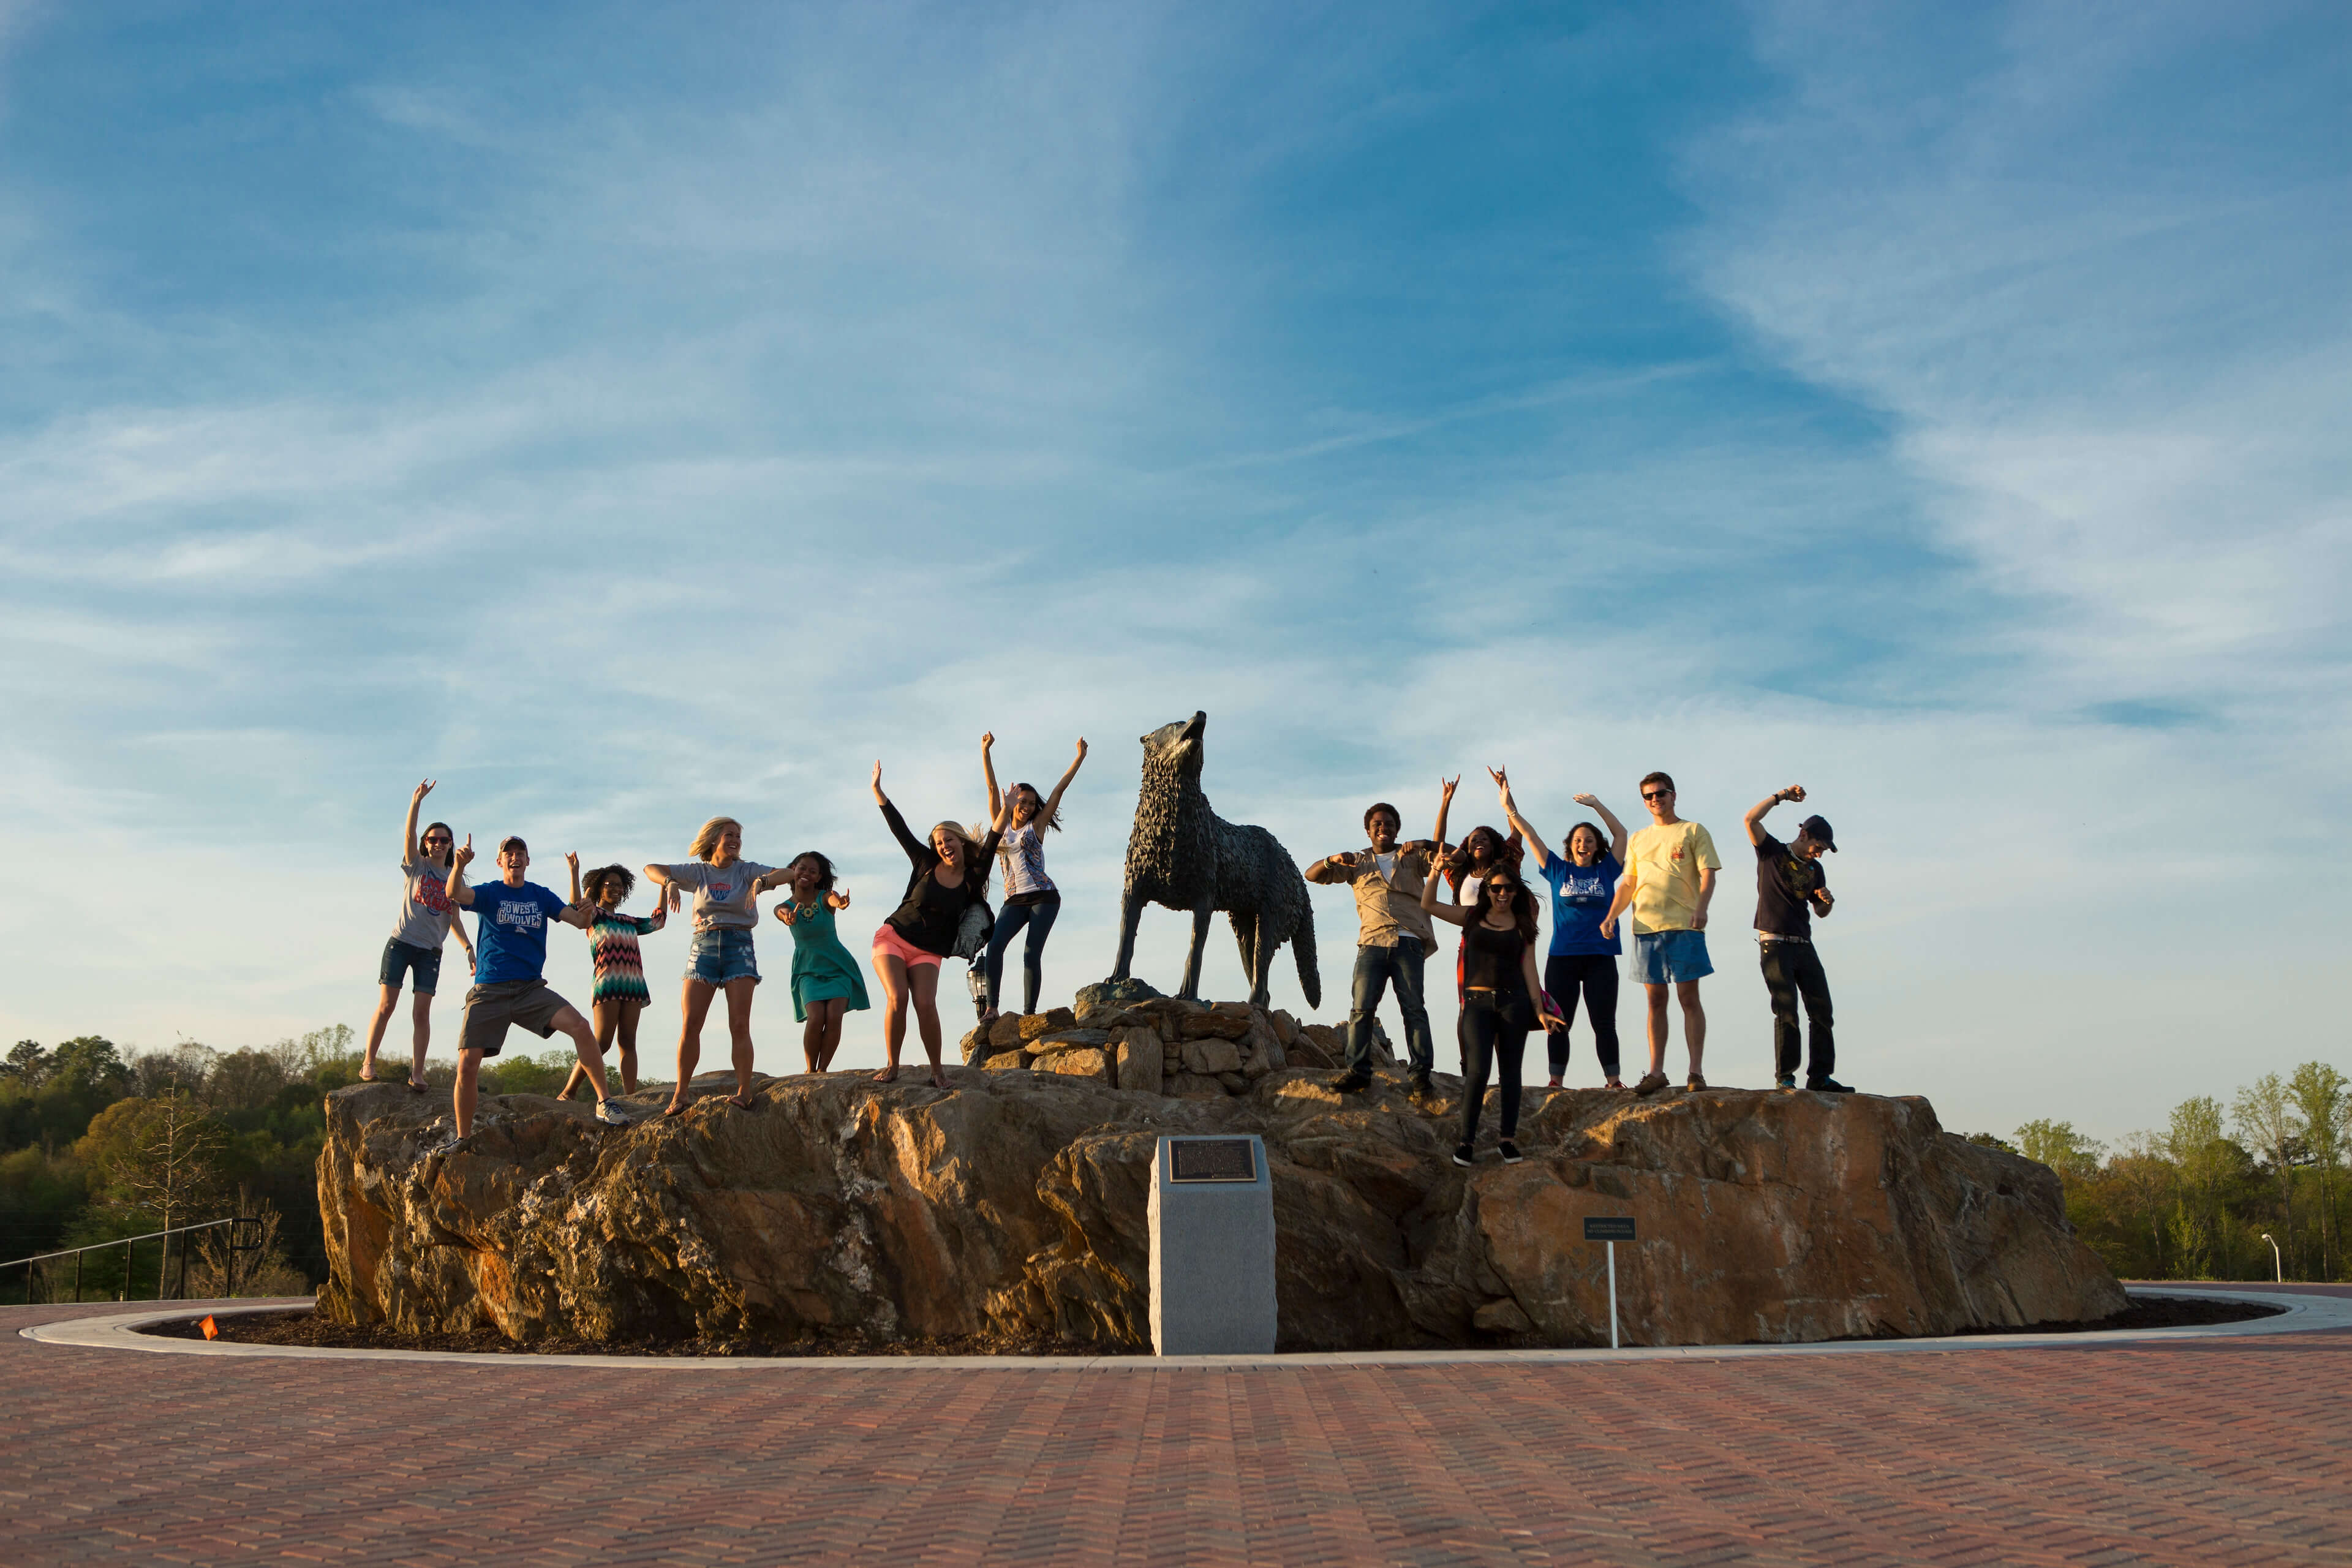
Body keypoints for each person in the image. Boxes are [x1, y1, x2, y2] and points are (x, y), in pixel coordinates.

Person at [441, 836, 626, 1142]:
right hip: (490, 989)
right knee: (467, 1063)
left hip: (531, 990)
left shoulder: (540, 896)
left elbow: (580, 921)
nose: (514, 857)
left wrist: (581, 891)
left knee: (581, 1027)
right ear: (500, 862)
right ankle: (463, 1139)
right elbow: (454, 892)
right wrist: (459, 865)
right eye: (508, 853)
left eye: (520, 853)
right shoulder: (490, 892)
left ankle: (605, 1101)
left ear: (528, 862)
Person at [1419, 832, 1563, 1166]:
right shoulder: (1471, 917)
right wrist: (1435, 871)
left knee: (1511, 1072)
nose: (1502, 894)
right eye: (1495, 888)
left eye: (1508, 889)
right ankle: (1466, 1142)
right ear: (1486, 891)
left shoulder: (1523, 924)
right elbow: (1428, 904)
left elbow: (1529, 967)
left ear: (1517, 892)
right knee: (1478, 1071)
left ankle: (1507, 1140)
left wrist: (1539, 1011)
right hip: (1477, 1004)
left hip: (1514, 1003)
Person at [1303, 783, 1455, 1096]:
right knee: (1361, 1010)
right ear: (1368, 831)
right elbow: (1311, 875)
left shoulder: (1412, 856)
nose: (1383, 827)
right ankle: (1358, 1072)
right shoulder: (1356, 862)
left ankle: (1421, 1075)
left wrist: (1426, 842)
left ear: (1397, 829)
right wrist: (1332, 859)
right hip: (1372, 943)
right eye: (1377, 824)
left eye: (1388, 823)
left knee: (1414, 1009)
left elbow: (1453, 855)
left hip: (1408, 941)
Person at [644, 818, 799, 1116]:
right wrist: (670, 882)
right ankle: (681, 1092)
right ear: (714, 838)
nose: (736, 840)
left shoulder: (745, 870)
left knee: (739, 1024)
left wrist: (763, 881)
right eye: (730, 834)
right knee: (691, 1023)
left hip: (739, 945)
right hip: (703, 945)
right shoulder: (699, 872)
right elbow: (651, 868)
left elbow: (789, 872)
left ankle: (744, 1090)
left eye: (739, 836)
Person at [872, 760, 1005, 1088]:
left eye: (949, 840)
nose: (944, 846)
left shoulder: (973, 878)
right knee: (898, 998)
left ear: (960, 841)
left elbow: (992, 840)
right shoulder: (925, 862)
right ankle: (892, 1066)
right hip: (893, 937)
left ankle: (937, 1071)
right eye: (939, 843)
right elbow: (899, 829)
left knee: (926, 1003)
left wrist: (1010, 806)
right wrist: (878, 791)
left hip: (928, 949)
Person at [1493, 769, 1629, 1088]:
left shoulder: (1608, 870)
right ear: (1571, 845)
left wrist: (1596, 805)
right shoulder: (1557, 869)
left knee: (1604, 1023)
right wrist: (1510, 808)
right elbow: (1531, 836)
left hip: (1600, 957)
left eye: (1590, 840)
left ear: (1597, 847)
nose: (1584, 844)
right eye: (1578, 840)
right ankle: (1556, 1080)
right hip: (1563, 958)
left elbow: (1622, 835)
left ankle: (1613, 1080)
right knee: (1558, 1021)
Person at [1599, 771, 1721, 1096]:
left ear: (1673, 795)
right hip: (1646, 929)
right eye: (1649, 796)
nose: (1656, 800)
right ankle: (1656, 1071)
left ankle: (1695, 1071)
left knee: (1688, 998)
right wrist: (1612, 916)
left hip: (1684, 925)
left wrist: (1702, 907)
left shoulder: (1693, 830)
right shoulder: (1639, 838)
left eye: (1661, 793)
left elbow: (1708, 874)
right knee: (1655, 1001)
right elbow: (1628, 883)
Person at [363, 779, 477, 1090]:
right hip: (401, 944)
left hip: (430, 951)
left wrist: (468, 948)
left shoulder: (454, 879)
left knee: (421, 1013)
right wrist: (416, 802)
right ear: (426, 843)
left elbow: (452, 918)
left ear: (451, 845)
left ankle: (417, 1073)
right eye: (433, 839)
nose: (438, 844)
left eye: (444, 840)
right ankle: (369, 1062)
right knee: (387, 1006)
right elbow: (409, 834)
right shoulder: (416, 865)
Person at [1744, 785, 1849, 1093]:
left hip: (1804, 943)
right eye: (1819, 845)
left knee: (1822, 1011)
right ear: (1804, 835)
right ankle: (1786, 1078)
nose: (1821, 852)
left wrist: (1826, 901)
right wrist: (1781, 797)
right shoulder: (1772, 852)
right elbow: (1750, 819)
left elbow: (1821, 912)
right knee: (1786, 1008)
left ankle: (1820, 1077)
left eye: (1825, 849)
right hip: (1774, 943)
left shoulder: (1817, 870)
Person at [979, 732, 1088, 1020]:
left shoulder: (1035, 827)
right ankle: (992, 1007)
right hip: (1013, 901)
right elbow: (991, 788)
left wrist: (1079, 758)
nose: (1026, 807)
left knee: (1030, 953)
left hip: (1044, 897)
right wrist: (986, 752)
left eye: (1030, 803)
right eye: (1021, 801)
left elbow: (1058, 792)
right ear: (1013, 802)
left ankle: (1029, 1014)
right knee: (995, 946)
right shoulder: (1000, 827)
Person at [555, 864, 672, 1102]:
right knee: (602, 1041)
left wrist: (664, 885)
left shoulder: (628, 921)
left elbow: (658, 922)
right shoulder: (594, 916)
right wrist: (575, 873)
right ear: (600, 888)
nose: (617, 889)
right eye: (611, 885)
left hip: (634, 985)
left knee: (628, 1041)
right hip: (607, 984)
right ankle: (569, 1092)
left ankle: (630, 1096)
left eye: (620, 885)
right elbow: (576, 907)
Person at [771, 851, 868, 1072]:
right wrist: (787, 917)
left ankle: (822, 1070)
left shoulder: (824, 897)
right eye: (802, 868)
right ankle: (810, 1069)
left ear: (818, 877)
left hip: (838, 967)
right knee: (815, 1018)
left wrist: (841, 902)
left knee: (834, 1017)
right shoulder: (783, 906)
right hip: (807, 970)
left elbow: (833, 899)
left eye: (812, 871)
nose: (806, 873)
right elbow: (781, 912)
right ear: (793, 870)